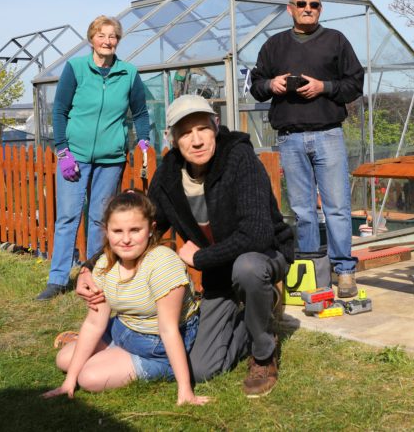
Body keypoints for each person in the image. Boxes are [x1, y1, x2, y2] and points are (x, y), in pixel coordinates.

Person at [77, 95, 295, 398]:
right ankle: (253, 318)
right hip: (219, 273)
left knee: (249, 269)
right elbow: (141, 229)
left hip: (262, 257)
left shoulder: (240, 159)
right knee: (202, 369)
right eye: (185, 133)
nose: (196, 140)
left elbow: (258, 235)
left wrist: (202, 257)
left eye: (203, 129)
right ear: (172, 138)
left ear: (215, 127)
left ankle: (263, 350)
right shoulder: (168, 175)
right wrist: (89, 268)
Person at [249, 0, 365, 298]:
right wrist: (271, 83)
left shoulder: (336, 41)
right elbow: (255, 85)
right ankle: (314, 273)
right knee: (303, 210)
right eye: (301, 4)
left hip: (328, 133)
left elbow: (355, 83)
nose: (307, 9)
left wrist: (323, 87)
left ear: (320, 9)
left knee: (338, 207)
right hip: (290, 138)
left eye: (313, 4)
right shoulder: (274, 46)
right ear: (290, 9)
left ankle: (344, 272)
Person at [42, 191, 208, 405]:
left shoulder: (163, 264)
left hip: (156, 345)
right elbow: (94, 323)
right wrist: (69, 382)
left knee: (89, 378)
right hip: (123, 328)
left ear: (151, 230)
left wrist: (185, 390)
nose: (126, 239)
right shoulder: (103, 265)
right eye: (117, 231)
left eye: (135, 230)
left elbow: (168, 330)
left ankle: (160, 367)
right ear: (107, 232)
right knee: (64, 360)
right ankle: (112, 353)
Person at [36, 15, 151, 301]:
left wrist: (145, 137)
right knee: (68, 216)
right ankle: (58, 278)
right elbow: (59, 111)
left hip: (110, 159)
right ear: (92, 39)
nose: (107, 41)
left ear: (118, 41)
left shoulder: (128, 73)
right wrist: (63, 151)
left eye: (113, 36)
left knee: (100, 218)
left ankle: (93, 275)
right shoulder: (75, 69)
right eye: (102, 35)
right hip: (74, 156)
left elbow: (140, 112)